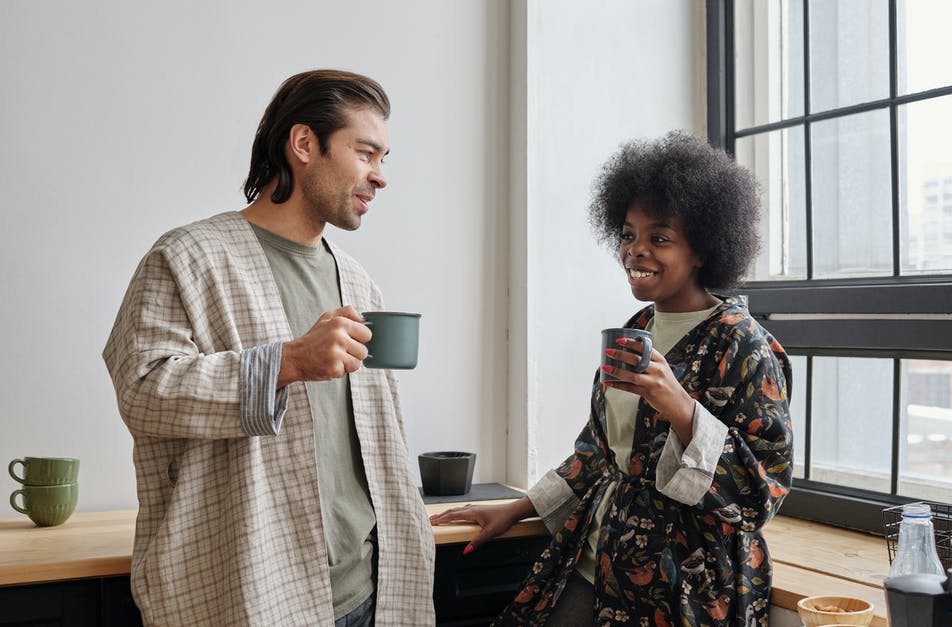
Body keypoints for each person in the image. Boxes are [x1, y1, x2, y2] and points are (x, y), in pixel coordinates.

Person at [103, 69, 434, 626]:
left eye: (385, 160)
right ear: (305, 144)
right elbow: (142, 389)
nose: (380, 177)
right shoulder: (188, 257)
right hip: (252, 592)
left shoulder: (356, 281)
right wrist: (287, 363)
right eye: (366, 153)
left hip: (371, 591)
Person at [431, 131, 793, 625]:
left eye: (659, 238)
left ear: (704, 249)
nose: (635, 251)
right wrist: (519, 509)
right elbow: (598, 452)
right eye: (628, 235)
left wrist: (680, 407)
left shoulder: (742, 344)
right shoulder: (636, 330)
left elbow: (762, 492)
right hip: (598, 557)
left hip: (688, 584)